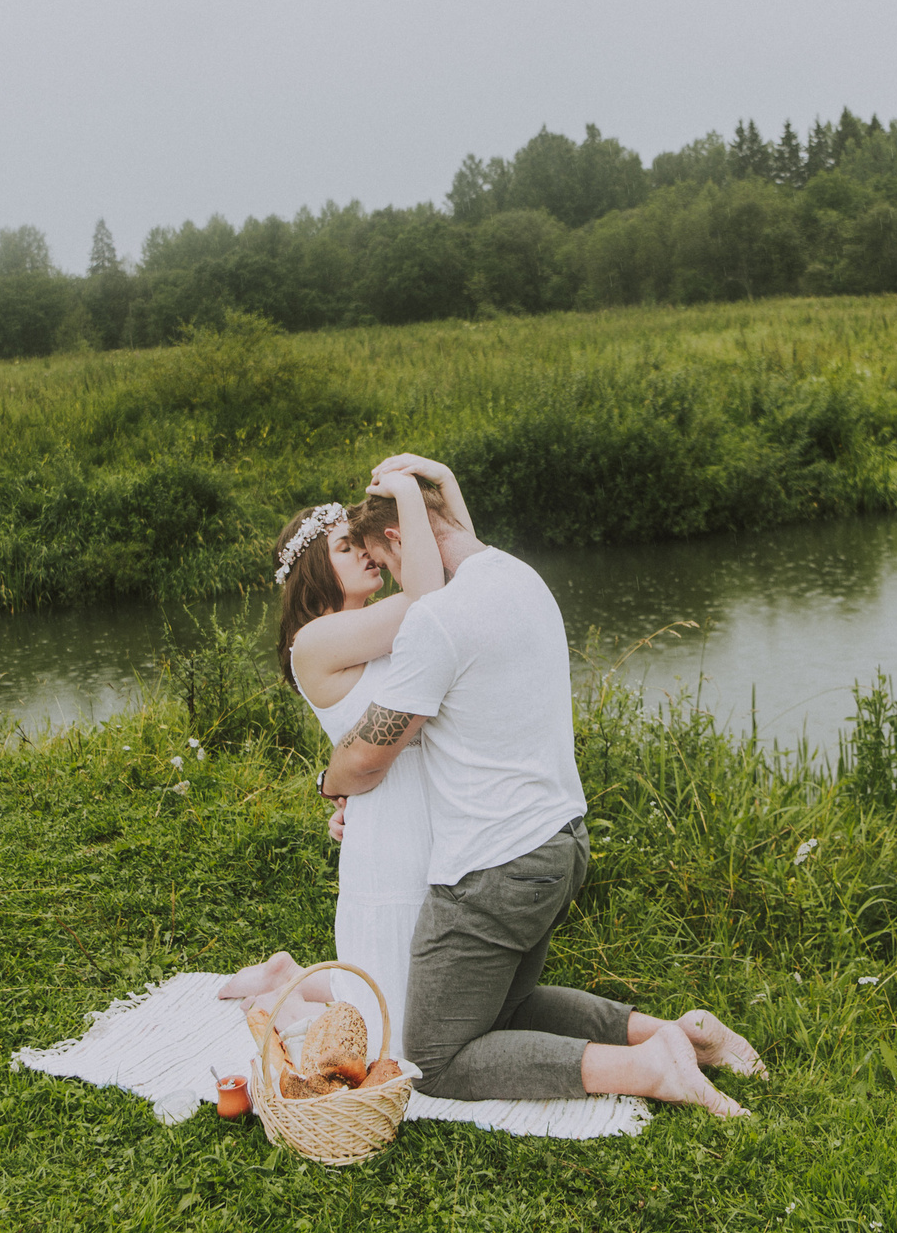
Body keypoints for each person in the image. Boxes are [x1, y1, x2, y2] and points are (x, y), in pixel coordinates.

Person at [321, 454, 760, 1118]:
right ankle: (683, 1034)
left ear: (400, 540)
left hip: (492, 873)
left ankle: (648, 1066)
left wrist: (327, 779)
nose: (389, 587)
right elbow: (453, 541)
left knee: (436, 1056)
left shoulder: (433, 621)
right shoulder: (518, 576)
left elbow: (366, 759)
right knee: (509, 1007)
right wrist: (441, 482)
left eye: (386, 566)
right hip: (562, 846)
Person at [214, 469, 445, 1057]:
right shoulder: (315, 641)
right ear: (314, 569)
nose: (366, 552)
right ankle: (279, 995)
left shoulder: (371, 624)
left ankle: (285, 974)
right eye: (345, 547)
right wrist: (412, 499)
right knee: (396, 1028)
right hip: (389, 829)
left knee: (423, 989)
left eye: (360, 541)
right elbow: (431, 602)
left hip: (429, 807)